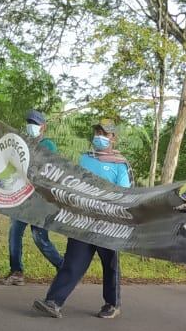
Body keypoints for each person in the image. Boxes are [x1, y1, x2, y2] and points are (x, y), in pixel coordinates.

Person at [33, 122, 131, 319]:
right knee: (73, 261)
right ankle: (53, 301)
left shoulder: (120, 165)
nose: (99, 136)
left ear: (113, 138)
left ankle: (112, 304)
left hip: (108, 223)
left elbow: (124, 193)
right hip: (82, 220)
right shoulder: (84, 159)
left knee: (109, 264)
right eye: (97, 132)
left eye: (104, 133)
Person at [4, 109, 64, 284]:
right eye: (29, 123)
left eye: (35, 124)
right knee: (14, 232)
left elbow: (52, 170)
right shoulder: (22, 144)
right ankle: (16, 272)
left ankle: (63, 267)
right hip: (22, 197)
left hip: (40, 200)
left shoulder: (48, 145)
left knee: (40, 238)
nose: (31, 126)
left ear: (43, 126)